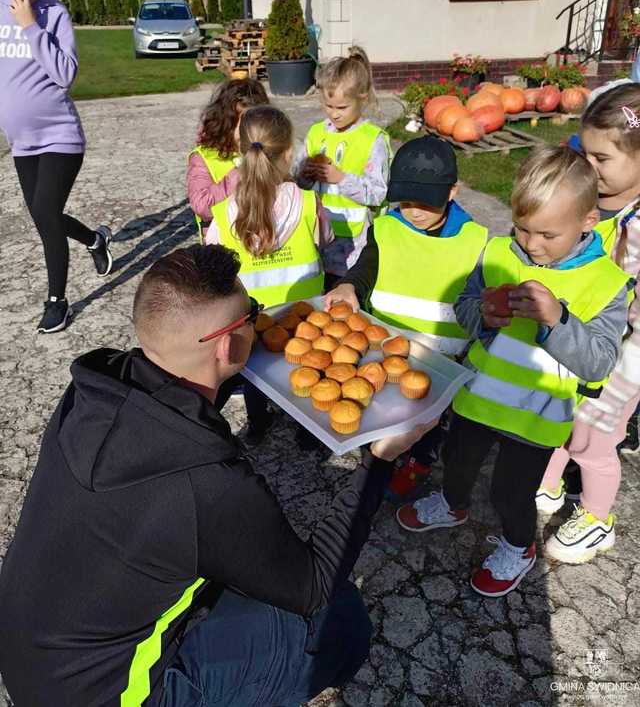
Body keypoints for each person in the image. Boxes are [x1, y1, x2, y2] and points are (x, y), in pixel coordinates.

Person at [0, 244, 431, 707]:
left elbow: (181, 394)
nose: (260, 322)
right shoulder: (205, 483)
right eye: (253, 315)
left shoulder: (90, 390)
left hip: (26, 656)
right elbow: (314, 584)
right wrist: (380, 460)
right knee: (339, 618)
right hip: (105, 694)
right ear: (227, 344)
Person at [396, 146, 631, 597]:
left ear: (587, 222)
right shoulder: (498, 253)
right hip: (478, 397)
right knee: (458, 460)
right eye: (522, 228)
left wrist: (557, 320)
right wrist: (482, 312)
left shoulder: (606, 283)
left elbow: (599, 360)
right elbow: (463, 308)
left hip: (535, 416)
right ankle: (452, 503)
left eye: (547, 234)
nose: (531, 244)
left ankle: (519, 546)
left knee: (509, 492)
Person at [325, 137, 488, 499]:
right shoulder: (386, 227)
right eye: (405, 201)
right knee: (380, 412)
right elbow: (368, 266)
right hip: (383, 349)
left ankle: (417, 466)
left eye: (424, 203)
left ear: (452, 191)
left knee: (428, 426)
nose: (413, 211)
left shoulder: (476, 241)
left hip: (442, 359)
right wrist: (350, 286)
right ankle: (379, 461)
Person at [537, 86, 640, 563]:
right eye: (584, 153)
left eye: (602, 157)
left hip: (626, 353)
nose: (590, 168)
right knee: (563, 413)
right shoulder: (599, 204)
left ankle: (598, 519)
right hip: (584, 337)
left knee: (595, 438)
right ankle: (550, 482)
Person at [0, 0, 112, 333]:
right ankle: (95, 241)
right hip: (22, 141)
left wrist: (31, 26)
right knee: (43, 215)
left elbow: (65, 74)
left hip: (61, 136)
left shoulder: (54, 14)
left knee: (45, 213)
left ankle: (56, 302)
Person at [206, 104, 333, 444]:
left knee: (253, 374)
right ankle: (307, 431)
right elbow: (326, 239)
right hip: (304, 319)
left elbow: (214, 264)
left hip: (252, 322)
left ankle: (258, 423)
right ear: (289, 152)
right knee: (306, 372)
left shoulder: (222, 214)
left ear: (240, 151)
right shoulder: (309, 203)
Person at [295, 45, 391, 288]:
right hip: (317, 241)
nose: (334, 114)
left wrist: (341, 179)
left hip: (354, 247)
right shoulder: (317, 133)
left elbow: (378, 194)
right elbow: (298, 181)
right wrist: (304, 174)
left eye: (341, 108)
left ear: (363, 99)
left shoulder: (373, 139)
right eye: (328, 106)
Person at [187, 78, 269, 242]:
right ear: (226, 122)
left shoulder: (268, 151)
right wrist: (239, 173)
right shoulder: (204, 157)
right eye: (244, 122)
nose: (250, 130)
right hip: (224, 246)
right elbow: (201, 206)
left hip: (263, 244)